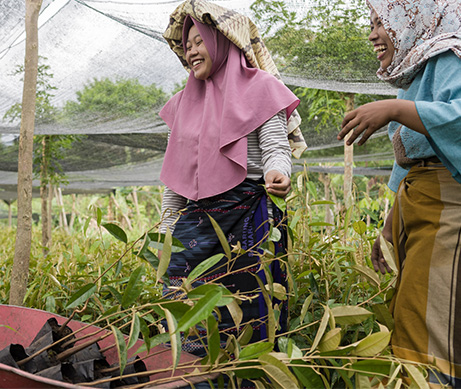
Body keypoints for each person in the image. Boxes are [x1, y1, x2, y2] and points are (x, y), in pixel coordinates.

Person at [157, 0, 306, 356]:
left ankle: (245, 376)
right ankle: (189, 378)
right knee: (183, 308)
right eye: (186, 44)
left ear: (221, 40)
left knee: (249, 311)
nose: (191, 50)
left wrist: (278, 173)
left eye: (198, 41)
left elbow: (274, 148)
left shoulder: (261, 88)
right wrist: (165, 230)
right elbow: (177, 177)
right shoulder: (181, 104)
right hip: (194, 226)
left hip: (248, 218)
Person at [338, 0, 461, 386]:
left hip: (447, 205)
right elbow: (408, 157)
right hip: (418, 204)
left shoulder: (450, 58)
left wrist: (392, 109)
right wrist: (390, 227)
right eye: (371, 23)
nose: (373, 33)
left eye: (382, 22)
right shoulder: (418, 75)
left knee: (427, 321)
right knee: (412, 310)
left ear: (413, 19)